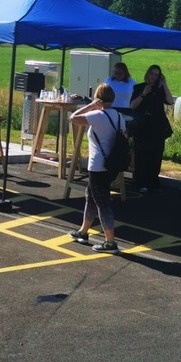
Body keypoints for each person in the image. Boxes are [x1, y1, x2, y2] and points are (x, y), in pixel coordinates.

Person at [69, 83, 123, 252]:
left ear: (98, 99)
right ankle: (83, 231)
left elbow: (74, 118)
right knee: (91, 196)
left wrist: (91, 106)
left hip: (98, 165)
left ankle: (110, 241)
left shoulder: (97, 115)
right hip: (112, 165)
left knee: (102, 202)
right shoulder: (119, 116)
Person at [129, 64, 174, 192]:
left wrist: (164, 84)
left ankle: (153, 180)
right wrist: (143, 94)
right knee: (141, 153)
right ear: (147, 74)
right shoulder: (139, 87)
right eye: (152, 74)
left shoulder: (160, 89)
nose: (153, 77)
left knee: (156, 153)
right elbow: (133, 106)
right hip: (143, 125)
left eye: (156, 75)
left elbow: (170, 101)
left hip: (157, 125)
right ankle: (141, 181)